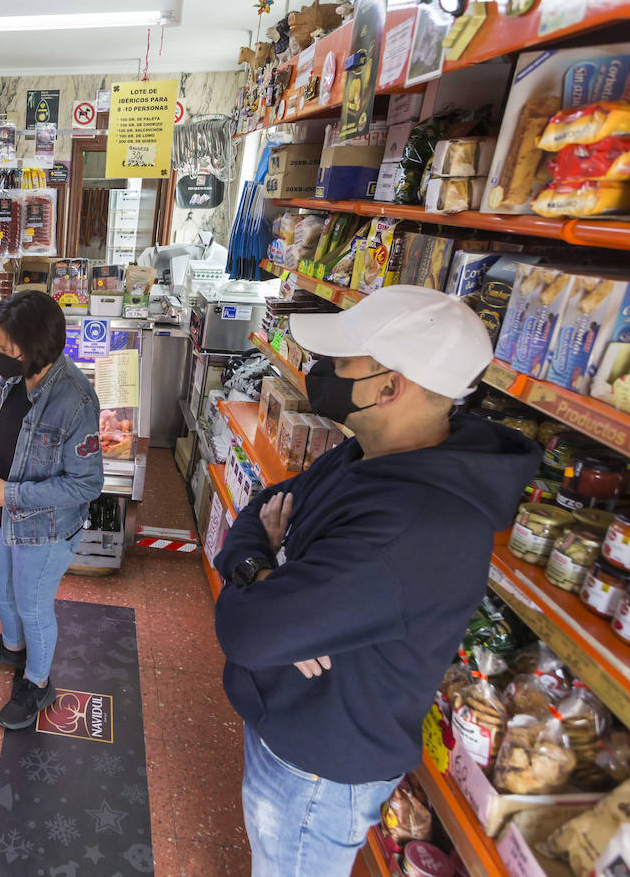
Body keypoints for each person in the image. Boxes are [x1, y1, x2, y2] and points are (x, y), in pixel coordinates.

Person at [212, 285, 541, 876]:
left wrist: (265, 578)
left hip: (316, 765)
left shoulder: (416, 526)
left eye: (342, 364)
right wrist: (260, 567)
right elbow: (263, 508)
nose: (323, 373)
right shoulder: (371, 452)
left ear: (391, 387)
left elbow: (248, 628)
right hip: (291, 722)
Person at [0, 291, 104, 730]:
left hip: (44, 527)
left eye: (6, 349)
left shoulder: (76, 400)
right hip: (4, 510)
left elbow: (87, 483)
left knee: (33, 605)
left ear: (33, 349)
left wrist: (13, 496)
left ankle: (39, 682)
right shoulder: (15, 378)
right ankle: (12, 645)